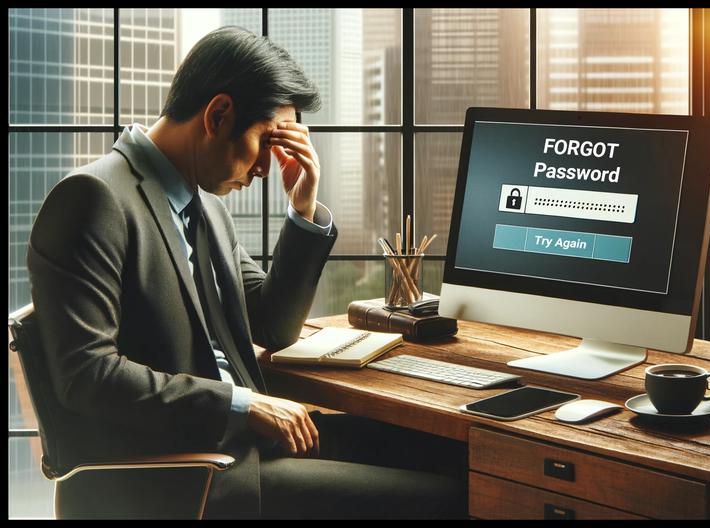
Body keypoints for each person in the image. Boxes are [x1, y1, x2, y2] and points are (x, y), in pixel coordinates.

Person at [26, 26, 467, 519]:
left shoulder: (206, 208)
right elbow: (89, 376)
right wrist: (242, 404)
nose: (265, 168)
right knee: (447, 502)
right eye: (266, 141)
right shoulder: (93, 198)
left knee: (457, 456)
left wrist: (303, 210)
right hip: (193, 474)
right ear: (218, 115)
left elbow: (272, 324)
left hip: (247, 444)